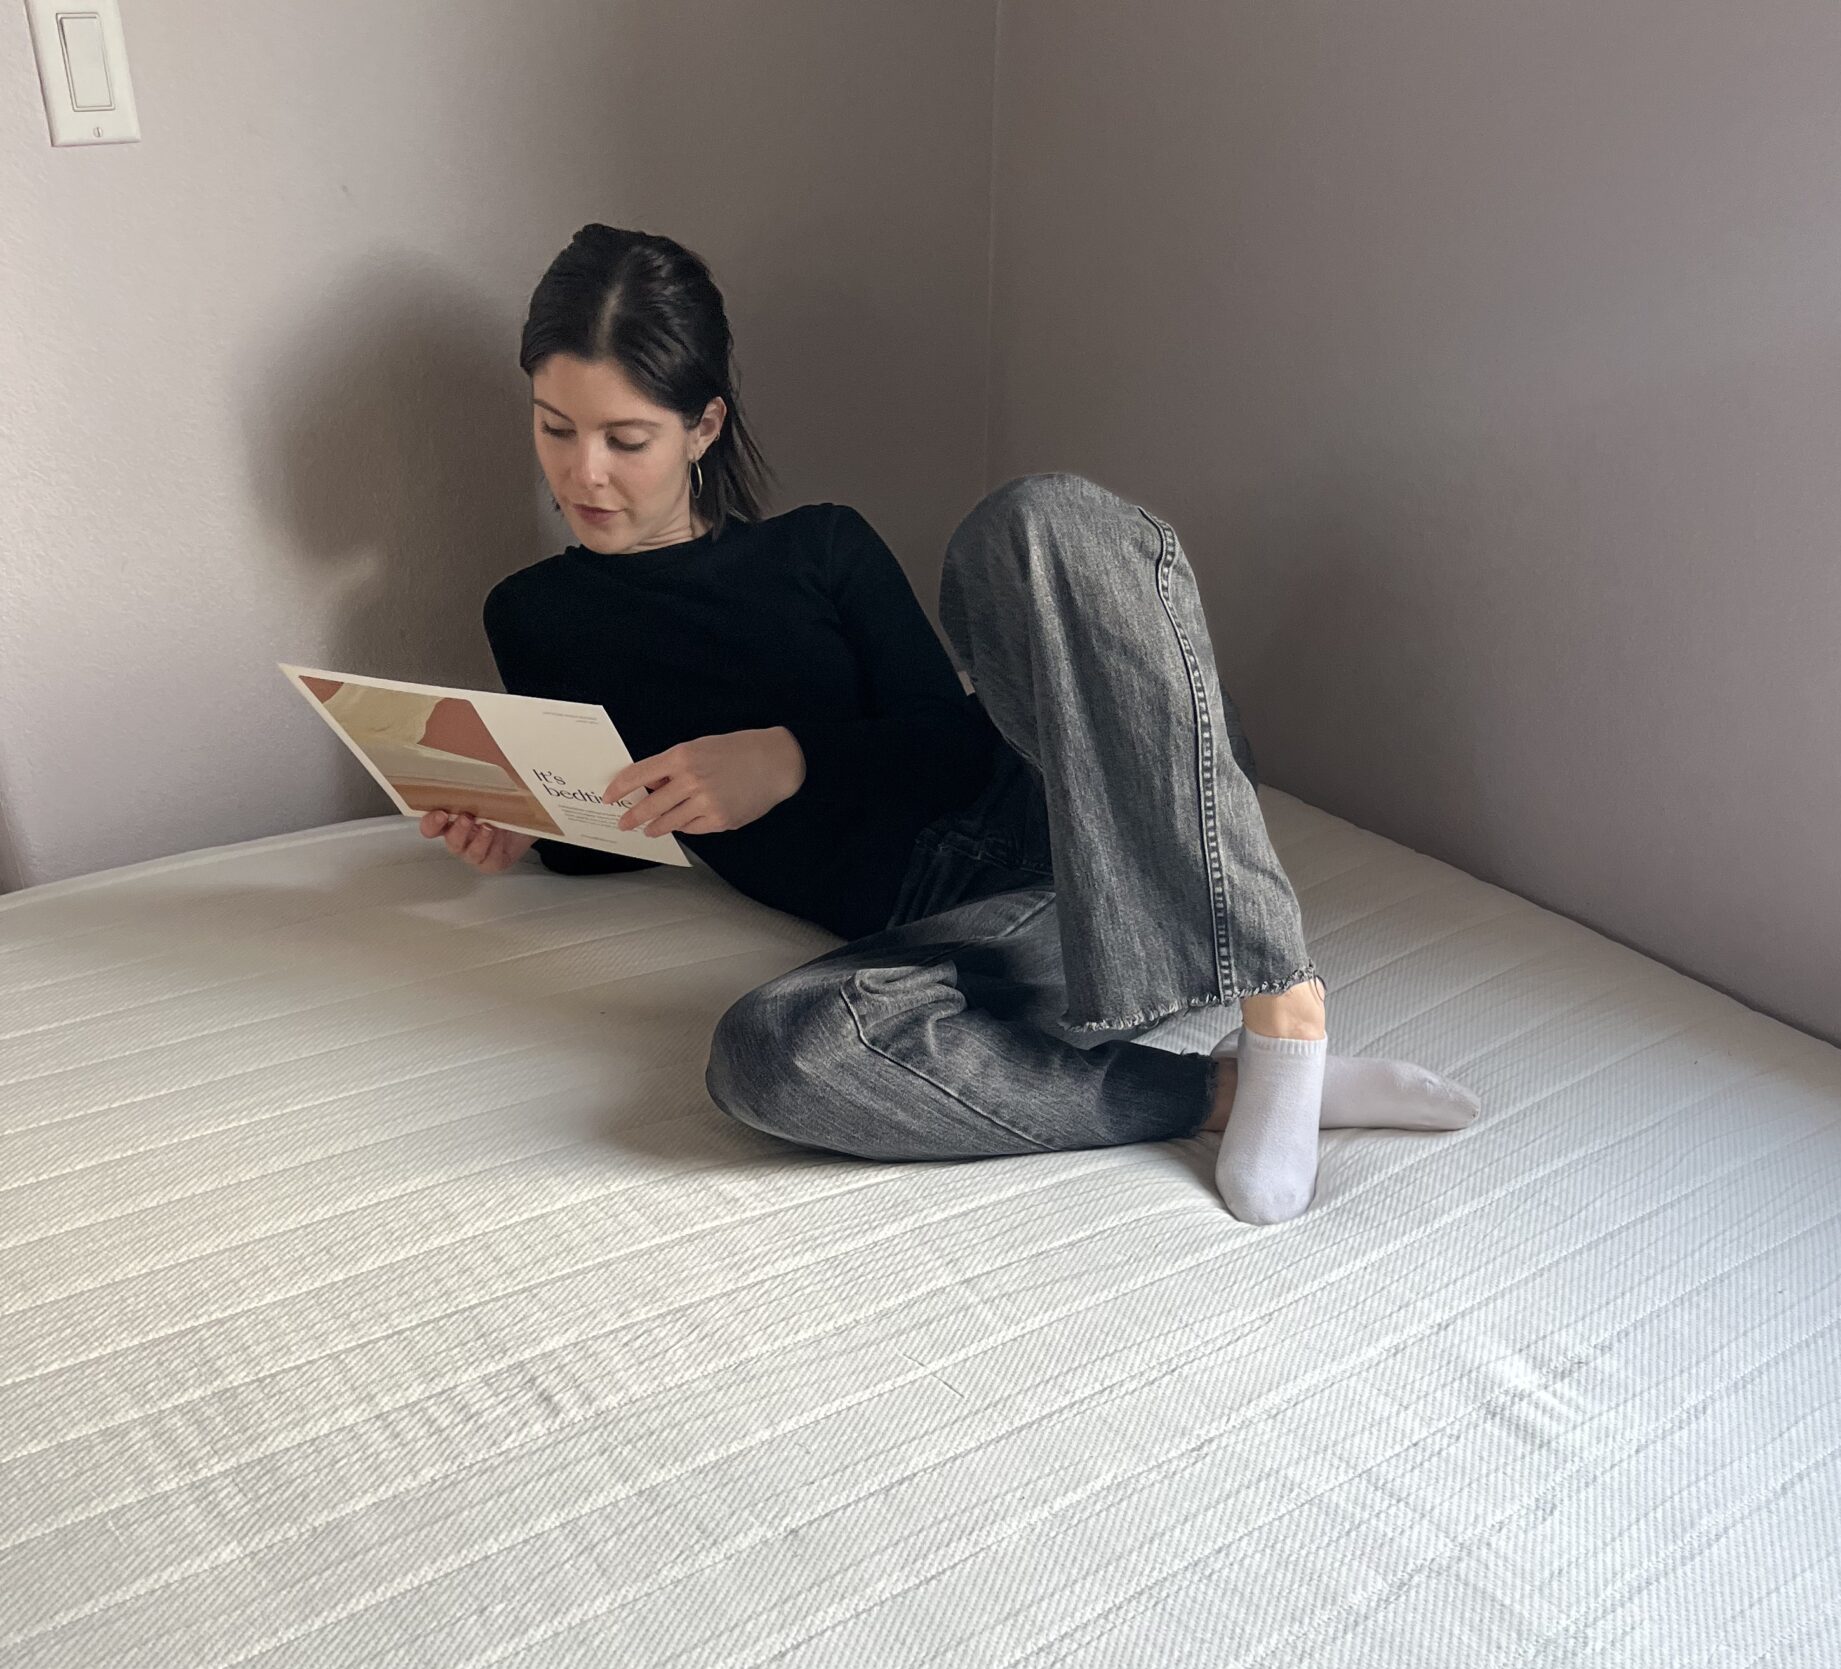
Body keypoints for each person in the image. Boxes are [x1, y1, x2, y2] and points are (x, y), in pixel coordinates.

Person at [421, 224, 1478, 1222]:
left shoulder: (819, 548)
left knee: (1032, 524)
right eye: (554, 428)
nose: (583, 473)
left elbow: (942, 737)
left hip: (1087, 807)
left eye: (626, 437)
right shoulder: (531, 614)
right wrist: (527, 831)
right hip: (976, 930)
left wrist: (788, 758)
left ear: (704, 426)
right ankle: (1218, 1095)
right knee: (773, 1053)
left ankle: (1282, 1006)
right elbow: (620, 832)